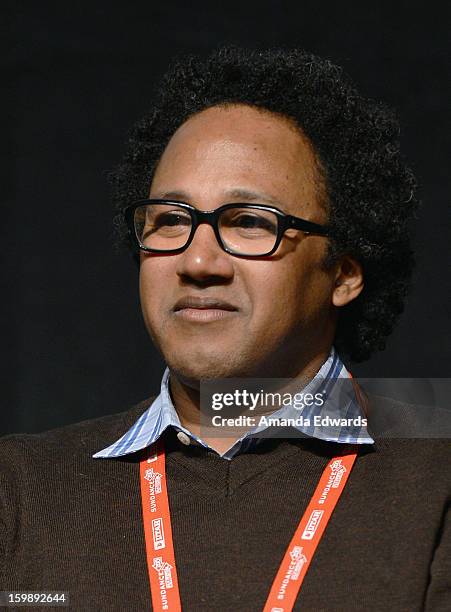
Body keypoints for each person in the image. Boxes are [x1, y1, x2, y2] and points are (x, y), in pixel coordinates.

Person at [1, 47, 449, 611]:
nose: (198, 262)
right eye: (170, 220)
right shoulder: (19, 486)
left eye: (248, 222)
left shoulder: (435, 481)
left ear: (343, 273)